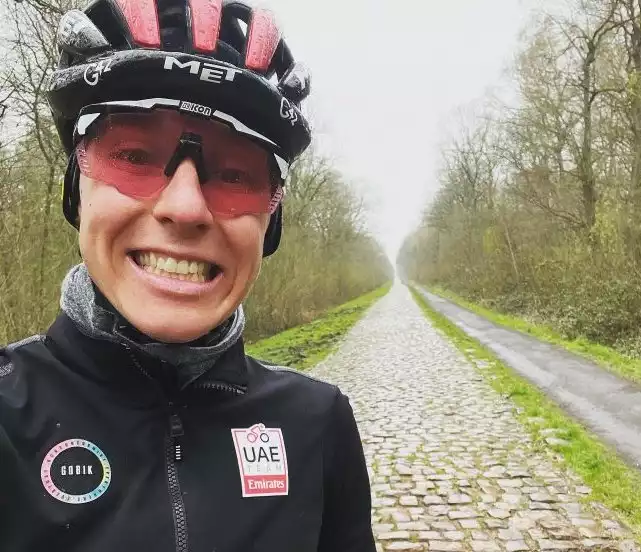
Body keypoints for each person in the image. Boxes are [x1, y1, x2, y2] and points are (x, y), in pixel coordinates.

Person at [0, 0, 376, 550]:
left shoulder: (319, 422)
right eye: (133, 156)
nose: (186, 207)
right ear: (75, 193)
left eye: (234, 173)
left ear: (270, 225)